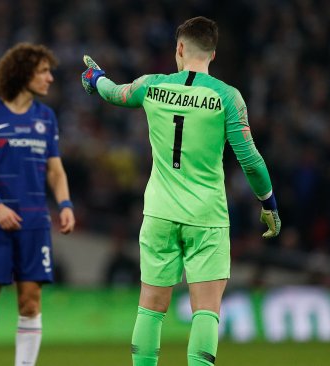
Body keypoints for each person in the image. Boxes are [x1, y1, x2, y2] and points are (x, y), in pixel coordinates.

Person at [81, 16, 281, 366]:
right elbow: (251, 162)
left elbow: (114, 93)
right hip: (207, 217)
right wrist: (269, 205)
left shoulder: (151, 85)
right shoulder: (227, 97)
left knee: (151, 307)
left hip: (159, 214)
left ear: (179, 48)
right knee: (206, 311)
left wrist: (95, 79)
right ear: (213, 54)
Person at [0, 43, 75, 366]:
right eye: (43, 71)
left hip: (34, 222)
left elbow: (55, 171)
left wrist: (66, 203)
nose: (50, 78)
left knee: (30, 303)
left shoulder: (46, 117)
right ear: (22, 73)